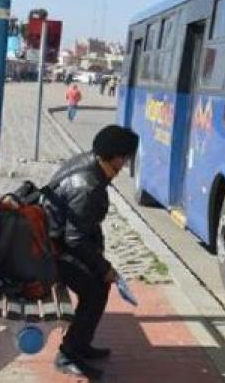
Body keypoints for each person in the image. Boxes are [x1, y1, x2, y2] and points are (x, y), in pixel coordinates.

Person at [44, 125, 139, 379]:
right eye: (126, 157)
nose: (127, 163)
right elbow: (75, 239)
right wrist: (104, 267)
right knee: (96, 288)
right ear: (117, 156)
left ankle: (80, 343)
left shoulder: (91, 165)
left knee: (99, 284)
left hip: (56, 243)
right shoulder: (87, 185)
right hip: (52, 252)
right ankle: (68, 354)